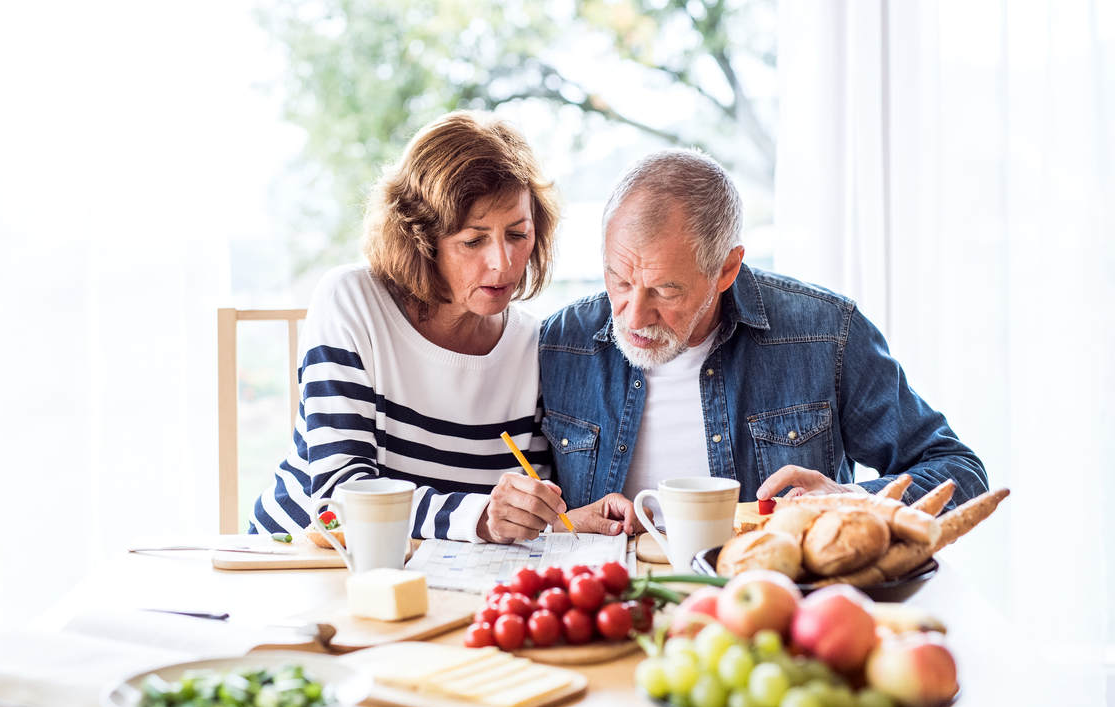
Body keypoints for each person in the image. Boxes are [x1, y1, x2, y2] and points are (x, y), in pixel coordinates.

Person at [539, 149, 988, 516]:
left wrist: (854, 502)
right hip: (606, 613)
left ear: (727, 268)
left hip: (780, 605)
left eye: (665, 290)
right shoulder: (561, 343)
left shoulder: (825, 333)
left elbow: (960, 471)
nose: (634, 317)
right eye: (619, 280)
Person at [254, 111, 628, 544]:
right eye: (473, 241)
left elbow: (511, 516)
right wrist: (482, 517)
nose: (502, 263)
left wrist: (561, 519)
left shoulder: (532, 345)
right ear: (420, 238)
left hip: (433, 579)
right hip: (294, 562)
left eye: (517, 234)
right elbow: (341, 498)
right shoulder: (353, 302)